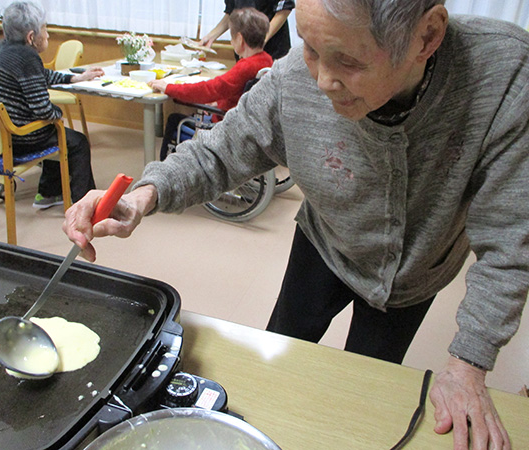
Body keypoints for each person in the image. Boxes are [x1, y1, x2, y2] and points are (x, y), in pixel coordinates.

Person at [63, 1, 529, 448]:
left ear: (426, 36)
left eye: (348, 61)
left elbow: (511, 239)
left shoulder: (504, 75)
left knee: (367, 384)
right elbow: (220, 150)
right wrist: (145, 194)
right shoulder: (293, 78)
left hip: (415, 271)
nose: (323, 80)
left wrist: (468, 362)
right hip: (323, 241)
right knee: (280, 351)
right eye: (308, 46)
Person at [0, 1, 104, 209]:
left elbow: (40, 75)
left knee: (54, 131)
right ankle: (84, 204)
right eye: (45, 29)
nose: (48, 35)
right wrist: (58, 113)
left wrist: (74, 79)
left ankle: (48, 194)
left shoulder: (2, 48)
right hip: (17, 136)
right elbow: (43, 110)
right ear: (31, 37)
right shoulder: (27, 57)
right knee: (76, 141)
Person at [149, 7, 273, 160]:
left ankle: (167, 171)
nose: (231, 41)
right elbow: (236, 93)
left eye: (232, 37)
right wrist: (217, 102)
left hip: (225, 124)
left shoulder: (245, 66)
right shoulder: (266, 60)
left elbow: (208, 90)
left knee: (174, 120)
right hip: (244, 121)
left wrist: (168, 87)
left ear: (240, 39)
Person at [200, 0, 295, 60]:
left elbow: (284, 9)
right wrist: (211, 36)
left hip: (272, 49)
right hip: (244, 50)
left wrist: (260, 40)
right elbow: (232, 12)